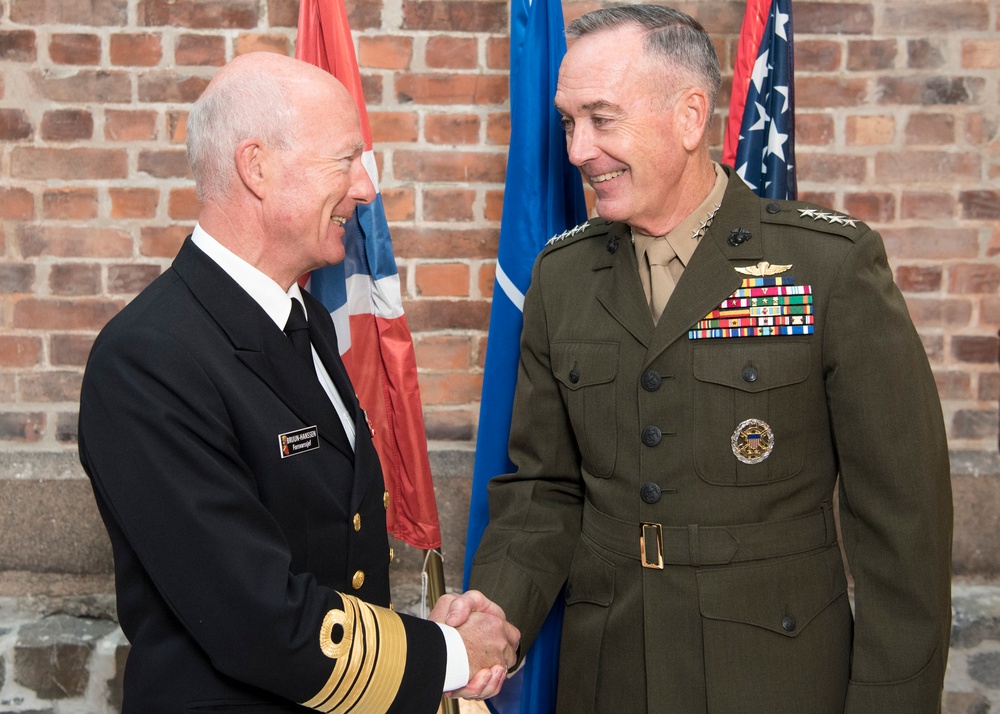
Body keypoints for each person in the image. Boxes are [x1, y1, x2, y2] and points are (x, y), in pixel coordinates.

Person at [466, 5, 953, 713]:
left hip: (774, 678)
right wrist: (495, 613)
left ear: (691, 117)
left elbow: (903, 525)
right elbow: (544, 487)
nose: (576, 149)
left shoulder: (826, 267)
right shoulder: (562, 278)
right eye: (569, 121)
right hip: (608, 678)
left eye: (602, 119)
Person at [78, 51, 518, 712]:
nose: (366, 189)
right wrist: (449, 655)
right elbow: (255, 617)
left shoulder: (302, 314)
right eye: (345, 161)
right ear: (256, 167)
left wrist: (421, 639)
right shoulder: (149, 358)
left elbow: (333, 554)